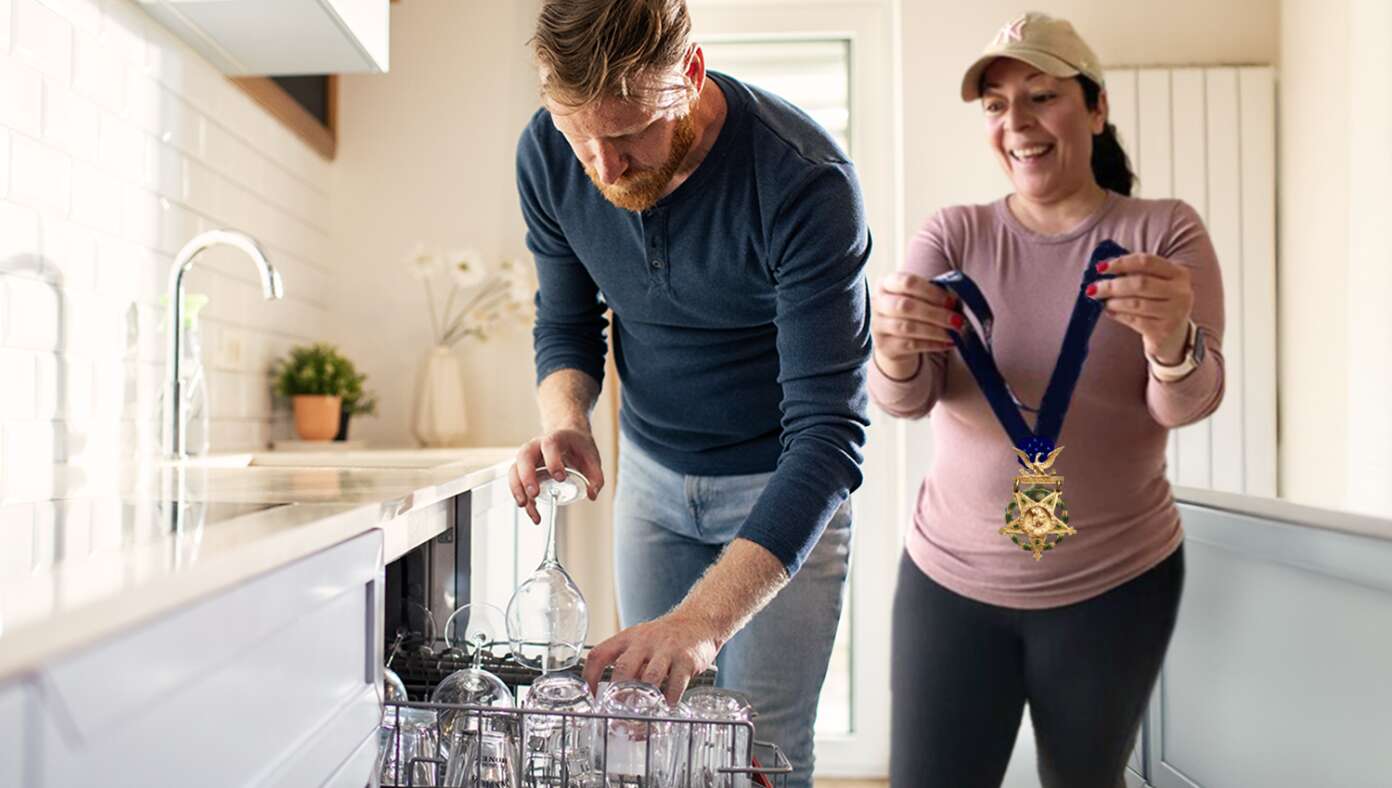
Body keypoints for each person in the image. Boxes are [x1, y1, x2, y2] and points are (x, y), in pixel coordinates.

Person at [509, 1, 872, 784]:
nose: (604, 169)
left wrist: (703, 624)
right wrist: (566, 417)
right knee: (650, 743)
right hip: (649, 479)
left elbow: (830, 437)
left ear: (691, 76)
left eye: (629, 133)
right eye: (581, 138)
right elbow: (566, 321)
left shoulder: (805, 182)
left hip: (783, 486)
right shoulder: (546, 155)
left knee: (761, 747)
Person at [870, 13, 1224, 787]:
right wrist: (891, 350)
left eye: (1041, 96)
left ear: (1095, 109)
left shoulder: (1163, 233)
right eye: (996, 105)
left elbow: (1186, 405)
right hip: (949, 584)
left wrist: (1172, 342)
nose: (1017, 123)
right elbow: (908, 399)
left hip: (1114, 586)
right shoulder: (953, 234)